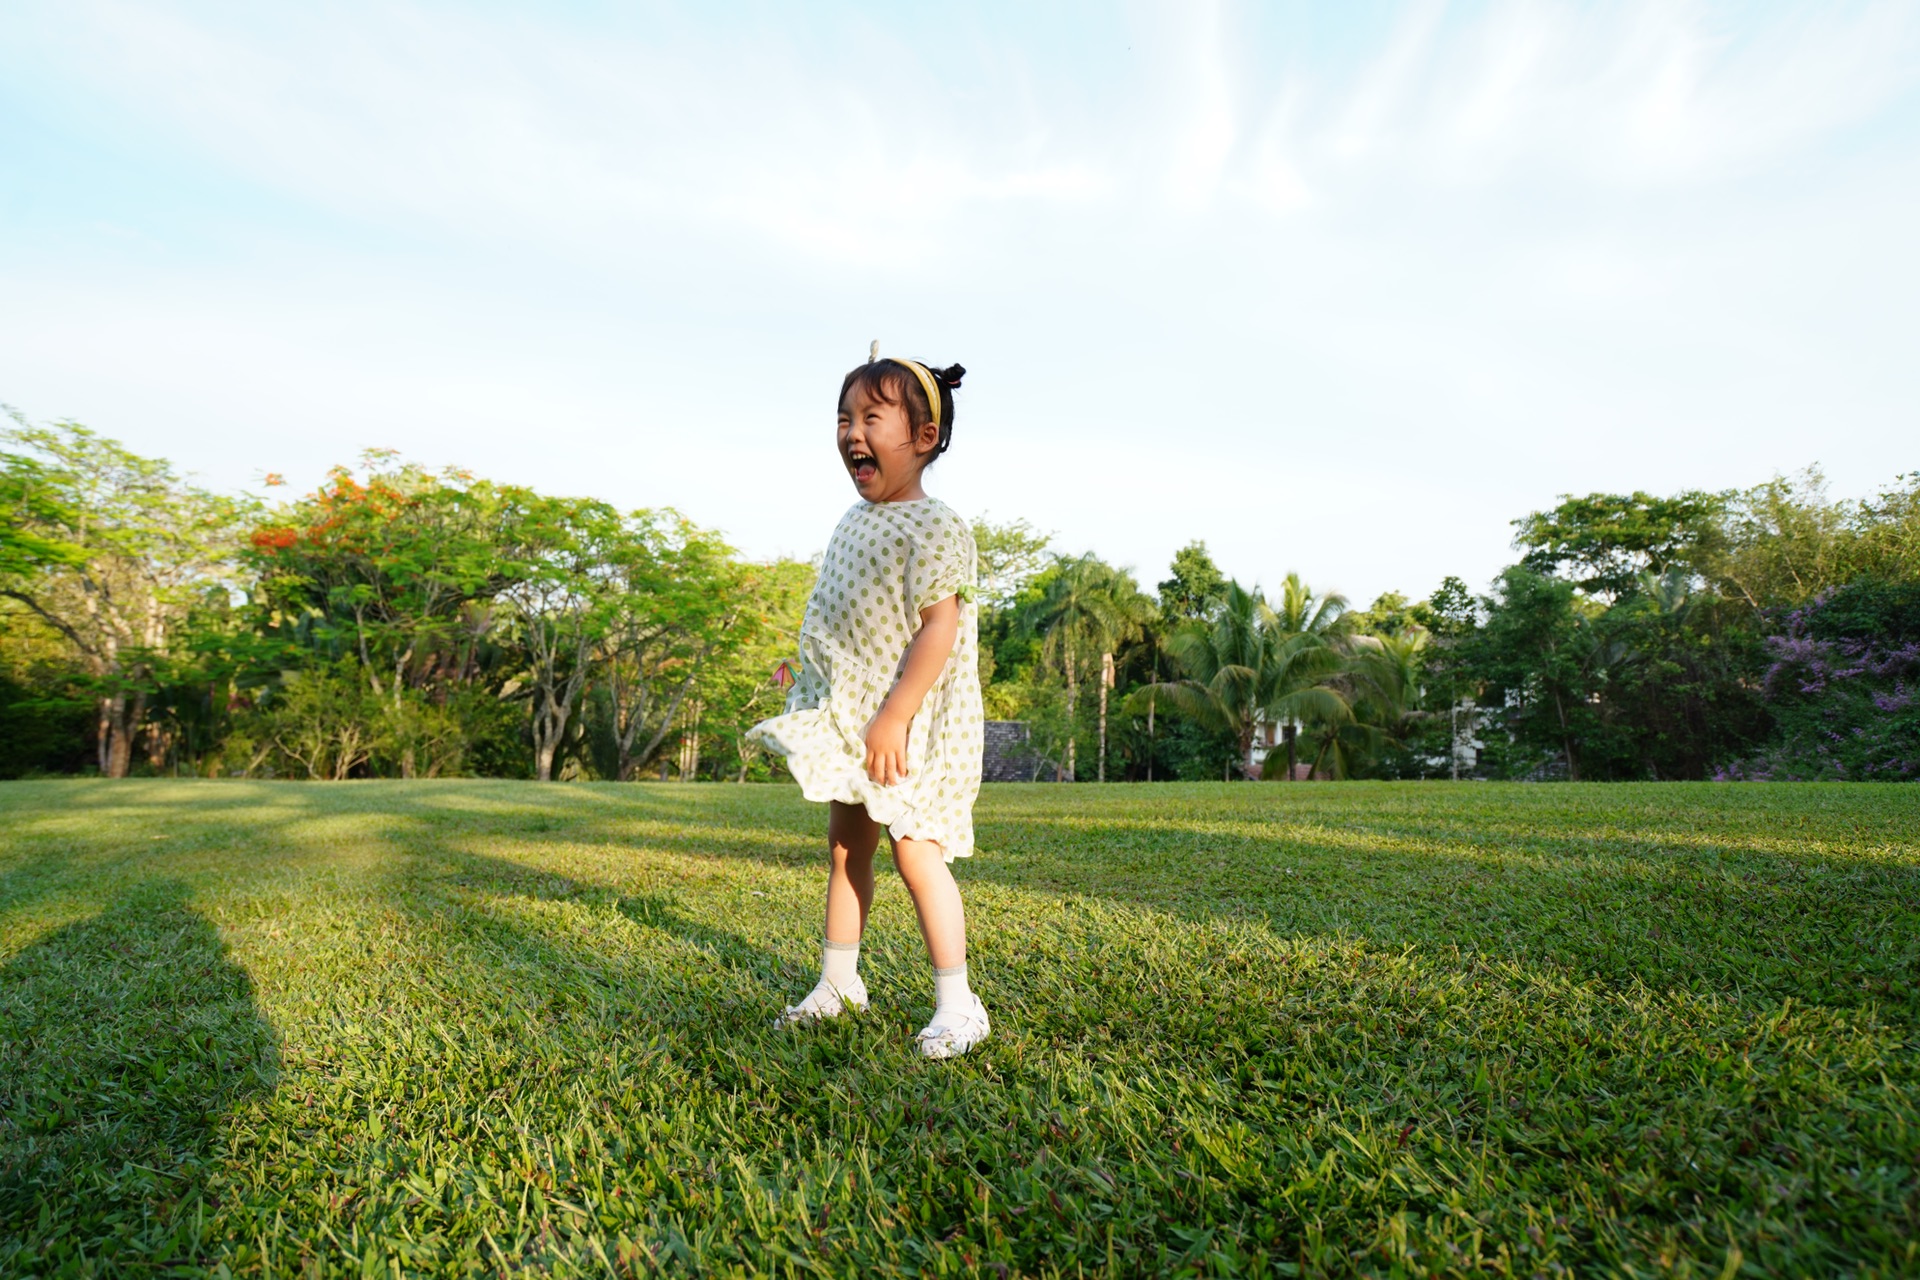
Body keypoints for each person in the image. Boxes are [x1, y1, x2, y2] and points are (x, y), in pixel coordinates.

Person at [748, 344, 989, 1059]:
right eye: (844, 418)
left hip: (909, 722)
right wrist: (810, 677)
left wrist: (895, 715)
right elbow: (849, 614)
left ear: (922, 438)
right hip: (852, 715)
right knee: (846, 845)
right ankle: (839, 983)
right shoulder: (853, 520)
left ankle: (959, 1000)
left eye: (872, 417)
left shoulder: (937, 525)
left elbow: (936, 629)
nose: (853, 432)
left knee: (916, 852)